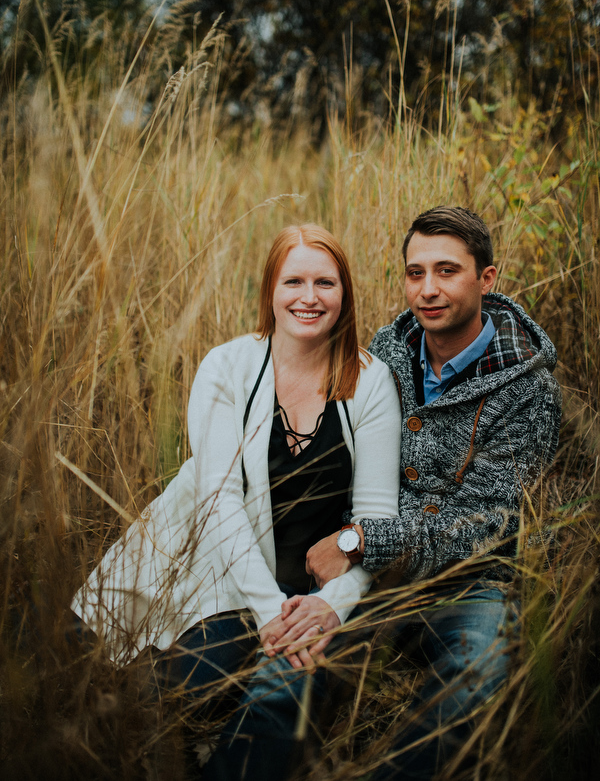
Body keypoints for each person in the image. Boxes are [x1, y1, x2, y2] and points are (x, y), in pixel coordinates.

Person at [207, 206, 562, 780]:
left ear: (487, 279)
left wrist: (360, 539)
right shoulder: (386, 354)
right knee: (295, 660)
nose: (428, 290)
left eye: (447, 271)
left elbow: (485, 523)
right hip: (369, 578)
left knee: (478, 671)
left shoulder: (528, 391)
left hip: (465, 584)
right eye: (415, 272)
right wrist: (345, 568)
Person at [71, 225, 401, 733]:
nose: (309, 298)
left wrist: (329, 607)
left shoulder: (370, 378)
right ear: (270, 290)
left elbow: (376, 520)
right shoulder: (227, 368)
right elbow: (218, 502)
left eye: (325, 283)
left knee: (286, 702)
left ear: (345, 293)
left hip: (315, 591)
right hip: (229, 575)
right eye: (293, 282)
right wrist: (270, 612)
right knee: (186, 694)